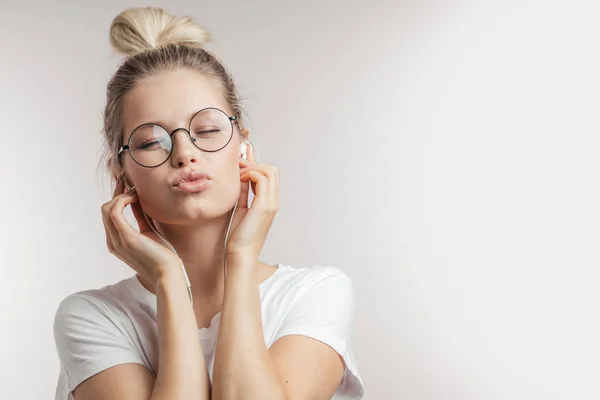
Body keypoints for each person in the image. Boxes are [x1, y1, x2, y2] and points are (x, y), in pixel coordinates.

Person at [53, 6, 364, 400]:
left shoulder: (315, 293)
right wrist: (169, 280)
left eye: (207, 130)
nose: (184, 154)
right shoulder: (93, 317)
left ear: (242, 145)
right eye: (152, 142)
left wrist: (242, 258)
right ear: (123, 171)